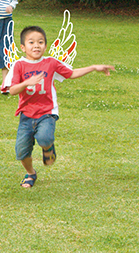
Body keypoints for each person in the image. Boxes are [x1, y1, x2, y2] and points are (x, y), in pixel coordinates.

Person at [9, 25, 114, 188]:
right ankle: (30, 173)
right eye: (31, 42)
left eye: (41, 42)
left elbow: (71, 74)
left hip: (47, 113)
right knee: (21, 152)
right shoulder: (19, 66)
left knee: (45, 138)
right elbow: (12, 90)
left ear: (45, 45)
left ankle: (48, 147)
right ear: (23, 47)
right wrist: (26, 83)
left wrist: (93, 67)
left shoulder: (50, 63)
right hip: (26, 115)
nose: (36, 45)